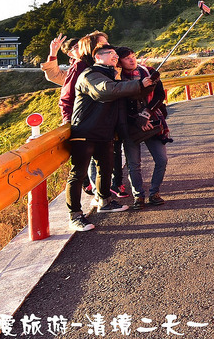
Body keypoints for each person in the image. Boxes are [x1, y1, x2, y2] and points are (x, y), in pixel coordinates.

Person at [66, 44, 154, 231]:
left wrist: (145, 86)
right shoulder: (90, 75)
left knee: (105, 170)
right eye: (110, 54)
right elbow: (105, 90)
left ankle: (105, 202)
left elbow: (122, 93)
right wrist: (137, 85)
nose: (115, 57)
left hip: (105, 133)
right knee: (78, 174)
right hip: (85, 132)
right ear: (98, 56)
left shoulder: (112, 76)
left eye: (116, 54)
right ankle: (75, 215)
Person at [116, 46, 169, 210]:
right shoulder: (116, 77)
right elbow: (119, 101)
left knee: (161, 159)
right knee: (134, 164)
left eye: (133, 56)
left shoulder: (149, 71)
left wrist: (147, 113)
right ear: (119, 61)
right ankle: (138, 196)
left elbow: (160, 95)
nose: (132, 60)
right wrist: (136, 119)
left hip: (152, 120)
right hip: (129, 125)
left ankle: (154, 193)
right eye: (127, 58)